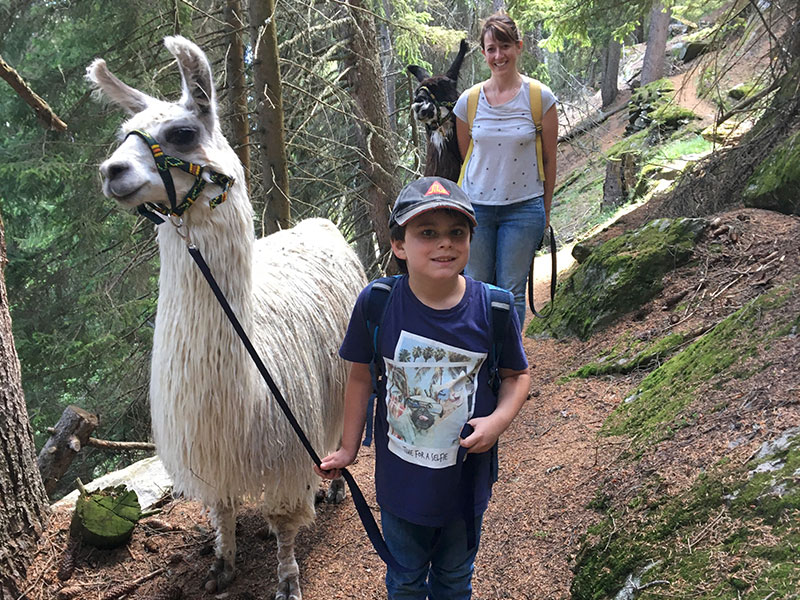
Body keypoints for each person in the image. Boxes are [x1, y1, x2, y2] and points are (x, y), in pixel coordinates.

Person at [316, 176, 530, 600]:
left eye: (456, 233)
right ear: (399, 245)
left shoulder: (495, 308)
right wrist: (347, 448)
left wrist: (498, 422)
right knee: (405, 582)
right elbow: (360, 376)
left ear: (471, 239)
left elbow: (516, 376)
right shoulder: (377, 303)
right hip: (400, 486)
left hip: (465, 485)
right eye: (426, 233)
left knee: (454, 581)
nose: (444, 244)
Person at [454, 12, 558, 327]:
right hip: (477, 211)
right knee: (477, 289)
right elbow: (467, 156)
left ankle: (509, 368)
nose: (499, 56)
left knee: (510, 295)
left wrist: (546, 212)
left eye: (504, 46)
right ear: (483, 53)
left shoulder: (541, 98)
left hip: (524, 209)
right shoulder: (468, 102)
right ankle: (482, 365)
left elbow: (550, 161)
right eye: (491, 49)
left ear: (518, 47)